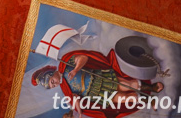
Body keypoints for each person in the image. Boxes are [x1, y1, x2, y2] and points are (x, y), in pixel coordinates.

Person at [32, 49, 163, 117]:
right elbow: (75, 98)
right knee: (124, 98)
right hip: (97, 94)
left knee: (126, 85)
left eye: (52, 81)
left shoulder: (65, 64)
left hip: (100, 78)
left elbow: (84, 58)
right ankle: (148, 99)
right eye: (52, 86)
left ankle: (151, 87)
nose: (54, 85)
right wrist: (78, 108)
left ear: (52, 74)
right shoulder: (64, 87)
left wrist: (76, 69)